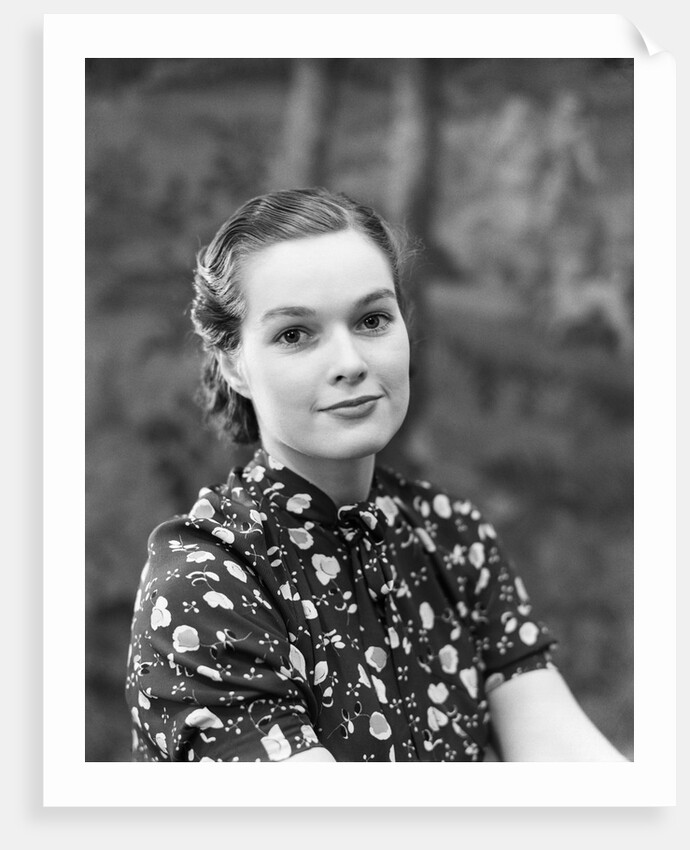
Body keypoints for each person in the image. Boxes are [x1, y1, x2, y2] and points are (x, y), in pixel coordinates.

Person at [125, 187, 627, 762]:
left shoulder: (451, 536)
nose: (350, 363)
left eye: (371, 320)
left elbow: (574, 766)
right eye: (294, 334)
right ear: (234, 364)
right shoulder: (205, 582)